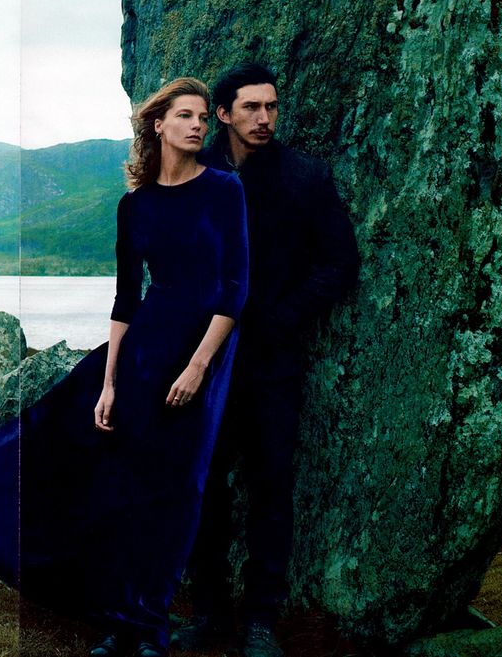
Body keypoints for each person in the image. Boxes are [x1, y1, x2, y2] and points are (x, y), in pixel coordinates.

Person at [0, 77, 249, 657]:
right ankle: (121, 621)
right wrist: (109, 383)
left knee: (177, 490)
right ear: (158, 125)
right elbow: (125, 300)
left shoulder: (224, 190)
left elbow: (236, 289)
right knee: (118, 484)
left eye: (203, 117)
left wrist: (199, 366)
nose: (198, 125)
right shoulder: (135, 205)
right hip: (147, 347)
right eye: (185, 115)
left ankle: (150, 626)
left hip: (204, 353)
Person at [173, 62, 360, 657]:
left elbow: (341, 262)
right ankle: (208, 612)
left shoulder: (305, 176)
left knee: (271, 489)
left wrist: (282, 319)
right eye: (251, 107)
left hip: (272, 362)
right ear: (223, 114)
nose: (264, 118)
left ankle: (260, 622)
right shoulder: (196, 173)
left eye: (271, 106)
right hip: (203, 361)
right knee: (202, 487)